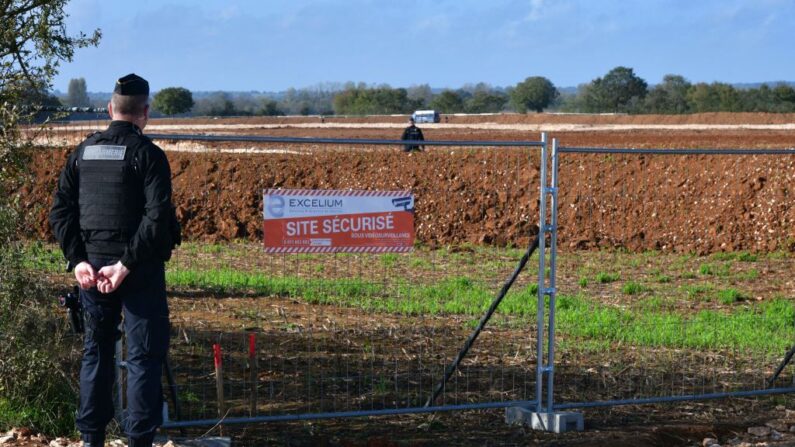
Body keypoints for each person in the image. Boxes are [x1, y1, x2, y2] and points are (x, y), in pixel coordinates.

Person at [49, 74, 180, 447]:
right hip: (137, 271)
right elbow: (156, 218)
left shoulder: (83, 153)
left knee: (96, 351)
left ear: (110, 110)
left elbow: (60, 211)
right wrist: (125, 265)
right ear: (145, 113)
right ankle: (139, 441)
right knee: (142, 357)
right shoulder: (149, 156)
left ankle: (92, 439)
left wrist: (78, 260)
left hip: (93, 270)